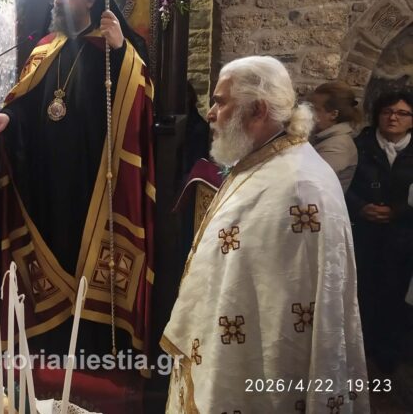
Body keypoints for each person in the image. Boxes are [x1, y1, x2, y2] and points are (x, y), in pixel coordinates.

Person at [162, 56, 368, 413]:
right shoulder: (263, 160)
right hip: (225, 345)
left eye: (221, 102)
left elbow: (292, 310)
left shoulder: (300, 187)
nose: (210, 113)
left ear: (257, 110)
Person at [0, 0, 155, 357]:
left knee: (87, 251)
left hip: (95, 175)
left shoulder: (112, 48)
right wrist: (7, 116)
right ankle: (52, 339)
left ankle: (94, 344)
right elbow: (28, 103)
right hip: (47, 175)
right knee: (53, 246)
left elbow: (141, 100)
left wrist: (120, 50)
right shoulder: (44, 49)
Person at [346, 90, 413, 373]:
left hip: (402, 239)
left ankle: (389, 355)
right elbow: (341, 184)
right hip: (364, 234)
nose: (393, 118)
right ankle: (360, 352)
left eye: (402, 113)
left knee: (395, 296)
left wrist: (398, 211)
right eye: (387, 112)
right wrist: (360, 207)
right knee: (362, 294)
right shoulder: (359, 146)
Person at [308, 81, 361, 192]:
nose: (308, 114)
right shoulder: (322, 137)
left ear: (333, 114)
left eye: (315, 109)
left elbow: (308, 182)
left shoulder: (338, 147)